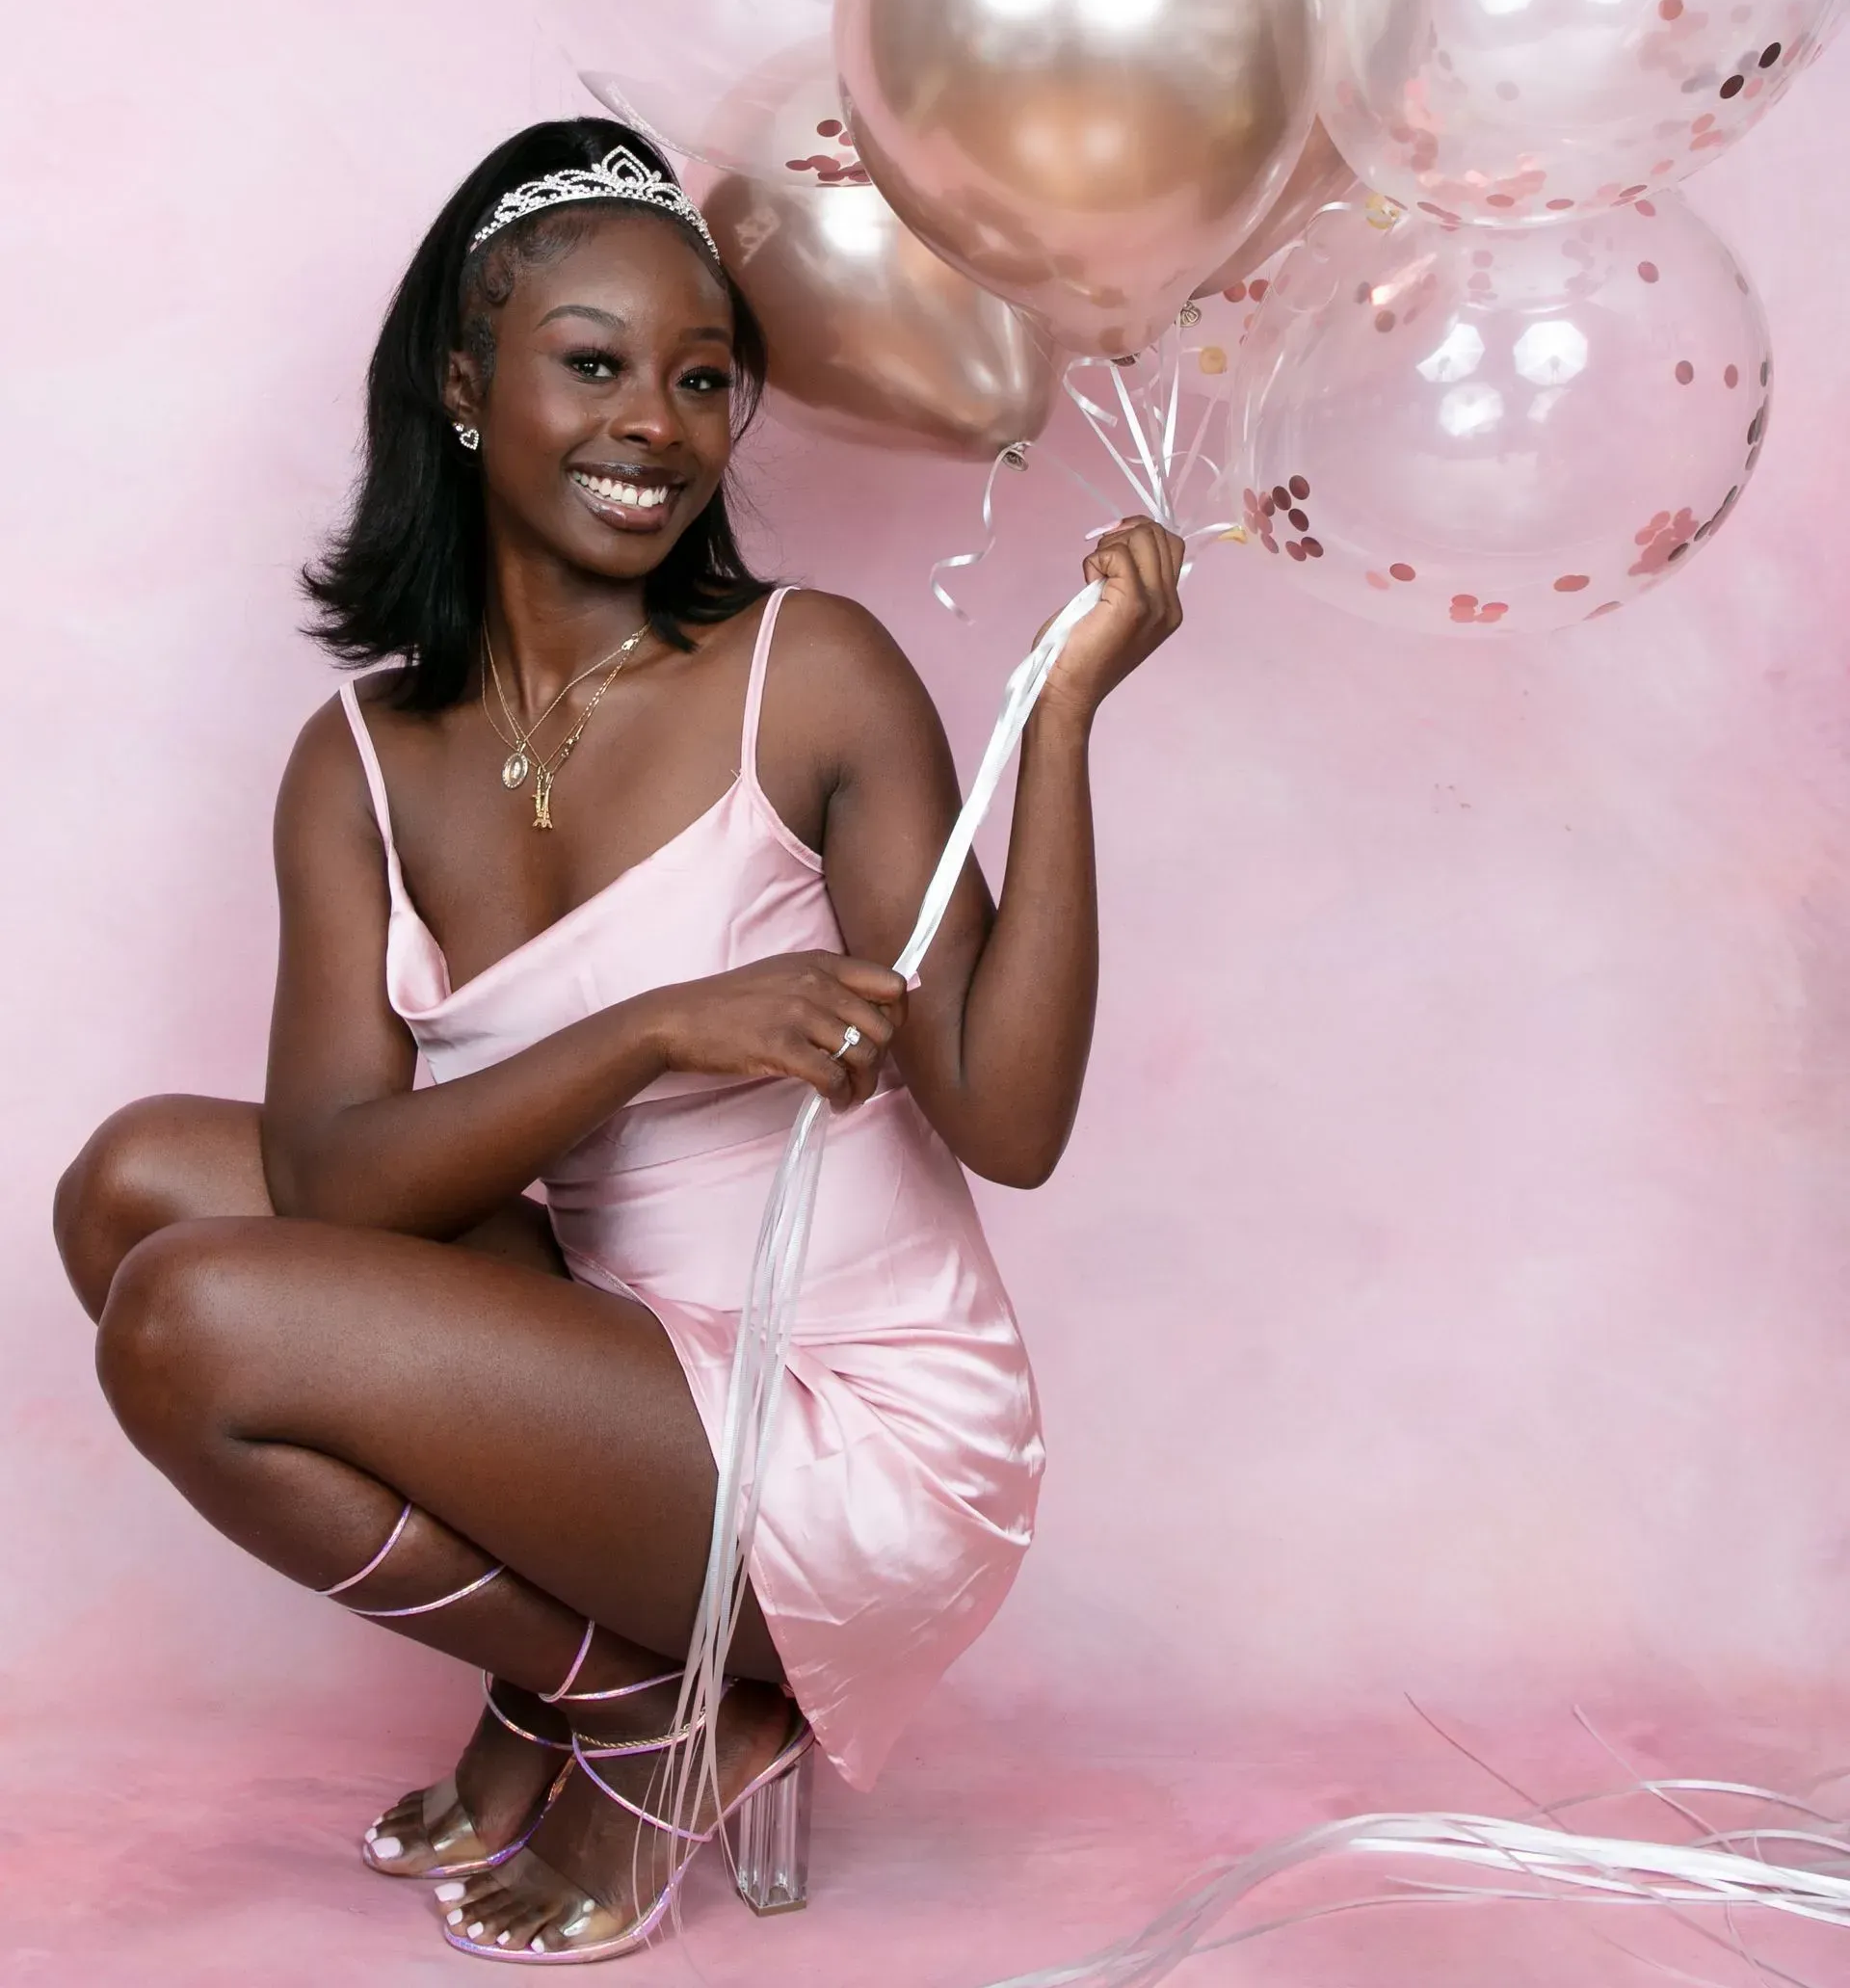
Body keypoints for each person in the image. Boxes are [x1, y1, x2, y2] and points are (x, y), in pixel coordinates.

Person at [52, 119, 1185, 1964]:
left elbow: (1013, 1117)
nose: (655, 421)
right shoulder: (357, 760)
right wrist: (657, 1030)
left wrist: (1054, 727)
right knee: (131, 1187)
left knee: (192, 1316)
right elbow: (341, 1171)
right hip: (598, 1362)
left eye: (704, 377)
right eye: (592, 363)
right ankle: (623, 1697)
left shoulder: (806, 670)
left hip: (846, 1436)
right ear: (463, 384)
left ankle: (646, 1699)